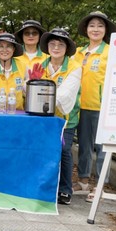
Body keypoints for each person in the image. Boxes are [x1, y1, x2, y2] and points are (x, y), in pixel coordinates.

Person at [73, 11, 116, 201]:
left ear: (105, 30)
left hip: (102, 106)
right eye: (92, 25)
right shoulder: (78, 53)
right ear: (86, 29)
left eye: (100, 25)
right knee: (83, 145)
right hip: (80, 106)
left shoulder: (111, 52)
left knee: (102, 148)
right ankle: (83, 180)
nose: (95, 29)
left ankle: (100, 185)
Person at [37, 28, 81, 205]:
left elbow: (64, 95)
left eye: (60, 44)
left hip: (65, 118)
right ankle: (42, 186)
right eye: (52, 44)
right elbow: (26, 88)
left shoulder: (75, 67)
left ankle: (65, 189)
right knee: (41, 149)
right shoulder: (39, 65)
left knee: (63, 151)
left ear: (67, 48)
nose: (56, 48)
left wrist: (39, 91)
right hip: (41, 118)